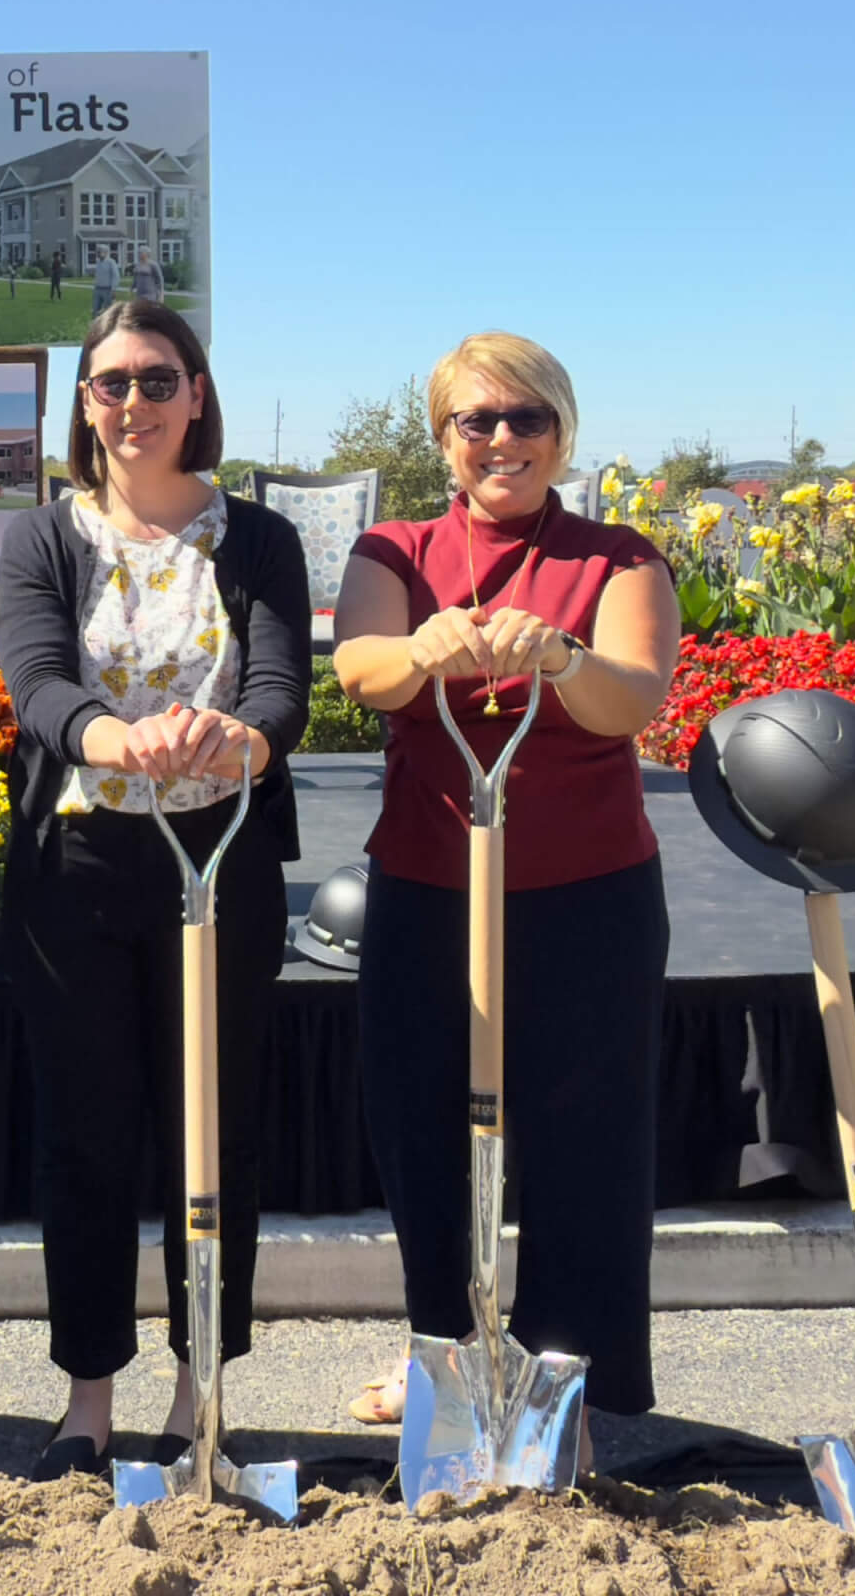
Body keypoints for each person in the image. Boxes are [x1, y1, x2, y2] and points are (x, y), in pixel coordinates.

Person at [331, 332, 679, 1467]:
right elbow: (359, 670)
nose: (500, 439)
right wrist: (423, 646)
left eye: (525, 418)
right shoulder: (396, 546)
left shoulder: (616, 557)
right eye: (474, 420)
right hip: (429, 881)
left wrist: (563, 658)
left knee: (583, 1140)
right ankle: (445, 1348)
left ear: (560, 434)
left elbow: (631, 699)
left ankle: (559, 1381)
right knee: (421, 1128)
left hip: (584, 892)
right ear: (442, 441)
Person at [0, 302, 310, 1479]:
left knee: (210, 1128)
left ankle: (198, 1389)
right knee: (83, 1133)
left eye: (156, 380)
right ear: (83, 406)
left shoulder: (256, 536)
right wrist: (108, 737)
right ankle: (87, 1394)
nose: (133, 403)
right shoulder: (45, 534)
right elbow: (30, 672)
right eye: (109, 384)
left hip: (218, 860)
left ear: (194, 394)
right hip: (76, 866)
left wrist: (228, 736)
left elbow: (282, 683)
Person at [90, 248, 121, 316]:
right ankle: (96, 324)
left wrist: (113, 289)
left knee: (107, 310)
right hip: (97, 289)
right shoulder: (98, 262)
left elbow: (116, 276)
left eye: (99, 252)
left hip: (107, 289)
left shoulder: (111, 262)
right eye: (97, 252)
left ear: (106, 252)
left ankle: (107, 325)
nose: (98, 254)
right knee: (95, 309)